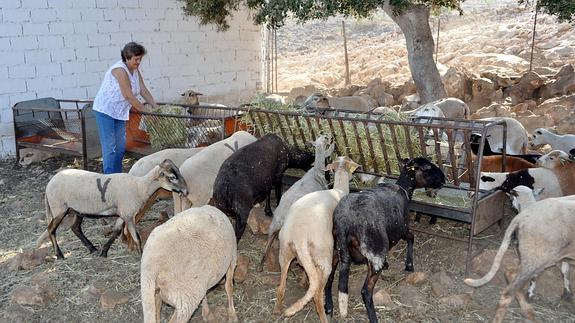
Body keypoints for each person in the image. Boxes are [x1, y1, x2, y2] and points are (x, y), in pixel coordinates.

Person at [93, 42, 157, 174]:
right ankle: (109, 179)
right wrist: (147, 112)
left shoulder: (134, 70)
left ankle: (118, 176)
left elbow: (143, 90)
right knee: (110, 147)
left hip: (119, 112)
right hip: (105, 110)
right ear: (127, 58)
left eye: (140, 59)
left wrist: (155, 107)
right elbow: (129, 96)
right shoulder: (120, 70)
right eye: (136, 59)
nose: (138, 62)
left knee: (121, 147)